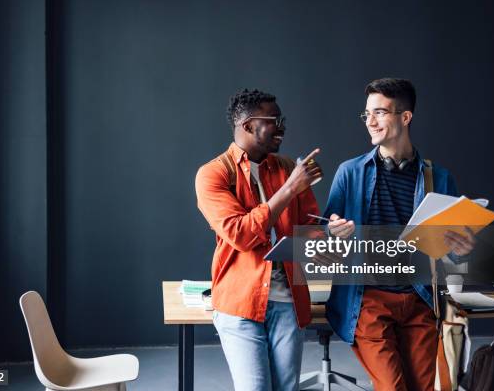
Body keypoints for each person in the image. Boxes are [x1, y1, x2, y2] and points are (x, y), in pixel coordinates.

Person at [324, 78, 474, 390]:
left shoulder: (440, 179)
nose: (370, 122)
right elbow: (323, 243)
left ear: (405, 117)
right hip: (368, 301)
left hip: (420, 299)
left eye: (379, 113)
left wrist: (463, 247)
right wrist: (333, 233)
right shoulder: (349, 173)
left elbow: (451, 254)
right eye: (366, 114)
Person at [195, 88, 322, 391]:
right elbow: (240, 233)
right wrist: (290, 189)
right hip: (240, 305)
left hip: (288, 302)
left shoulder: (288, 168)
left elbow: (310, 228)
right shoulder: (213, 174)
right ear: (249, 126)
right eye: (275, 120)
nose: (282, 127)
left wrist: (331, 230)